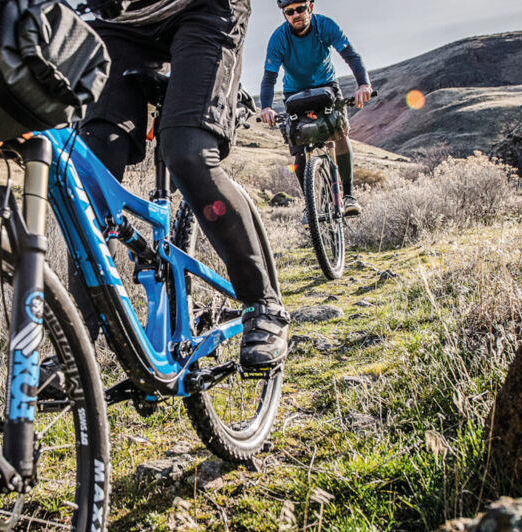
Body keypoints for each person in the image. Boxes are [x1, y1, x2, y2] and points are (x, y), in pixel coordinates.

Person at [78, 0, 290, 369]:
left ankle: (263, 303)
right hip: (123, 23)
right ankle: (77, 343)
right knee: (91, 169)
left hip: (205, 9)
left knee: (187, 153)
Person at [258, 0, 373, 217]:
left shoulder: (326, 26)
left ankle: (348, 196)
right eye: (289, 12)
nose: (296, 15)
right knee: (299, 147)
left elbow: (351, 57)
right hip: (295, 94)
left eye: (300, 9)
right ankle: (310, 206)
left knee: (340, 133)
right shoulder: (278, 38)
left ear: (310, 7)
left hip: (327, 87)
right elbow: (269, 78)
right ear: (284, 14)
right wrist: (265, 107)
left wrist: (363, 84)